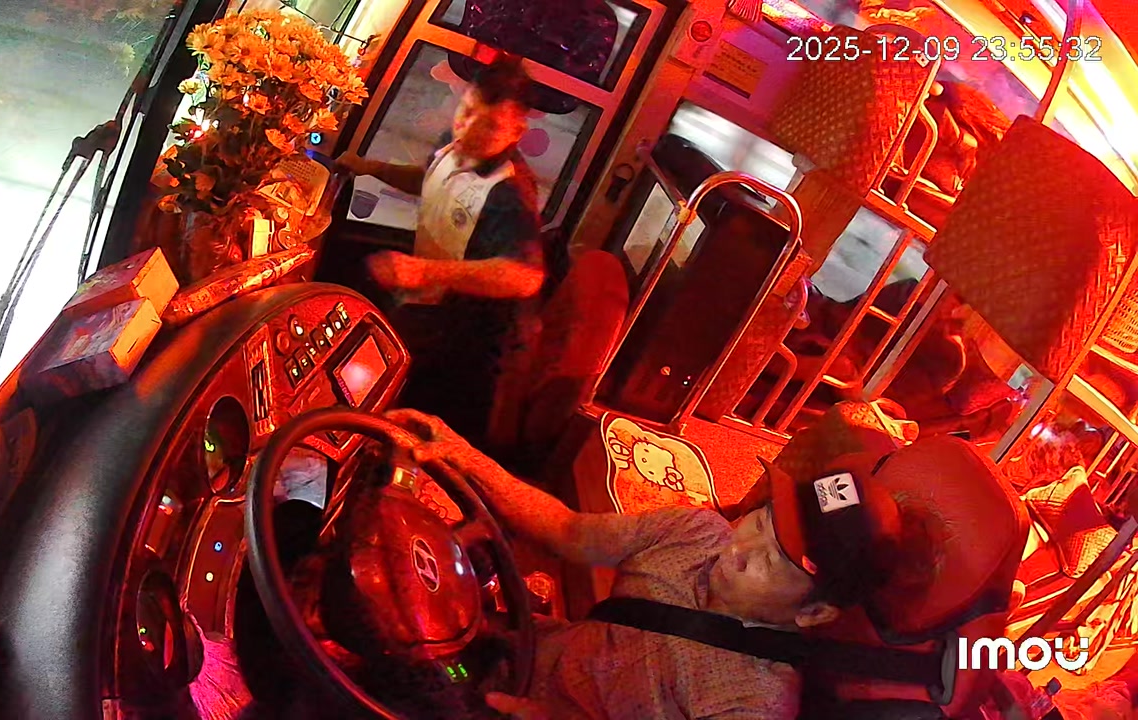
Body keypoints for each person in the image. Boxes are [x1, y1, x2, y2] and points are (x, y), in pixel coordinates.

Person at [385, 408, 908, 719]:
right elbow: (568, 530)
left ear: (813, 612)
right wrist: (463, 455)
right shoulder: (697, 530)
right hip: (510, 646)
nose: (738, 546)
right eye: (761, 520)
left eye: (772, 559)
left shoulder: (752, 700)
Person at [335, 55, 545, 446]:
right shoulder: (454, 144)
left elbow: (525, 276)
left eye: (490, 125)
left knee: (400, 419)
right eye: (467, 112)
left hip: (473, 341)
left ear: (517, 131)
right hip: (431, 305)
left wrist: (422, 271)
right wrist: (370, 167)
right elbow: (433, 178)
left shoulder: (510, 191)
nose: (470, 129)